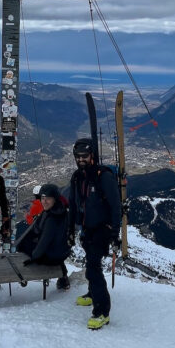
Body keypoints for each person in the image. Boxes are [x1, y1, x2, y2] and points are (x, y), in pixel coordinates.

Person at [68, 138, 121, 329]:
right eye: (78, 156)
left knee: (92, 268)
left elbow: (116, 206)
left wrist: (115, 232)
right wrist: (70, 229)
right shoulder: (77, 177)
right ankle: (92, 294)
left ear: (92, 156)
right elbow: (74, 204)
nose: (81, 159)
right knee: (91, 262)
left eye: (85, 156)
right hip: (86, 228)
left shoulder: (103, 176)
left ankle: (102, 312)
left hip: (102, 229)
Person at [17, 183, 71, 290]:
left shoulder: (52, 218)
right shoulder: (62, 210)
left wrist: (34, 257)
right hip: (63, 253)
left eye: (48, 199)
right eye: (43, 198)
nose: (44, 201)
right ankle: (63, 277)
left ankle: (24, 275)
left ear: (55, 199)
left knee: (23, 244)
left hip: (52, 257)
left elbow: (44, 241)